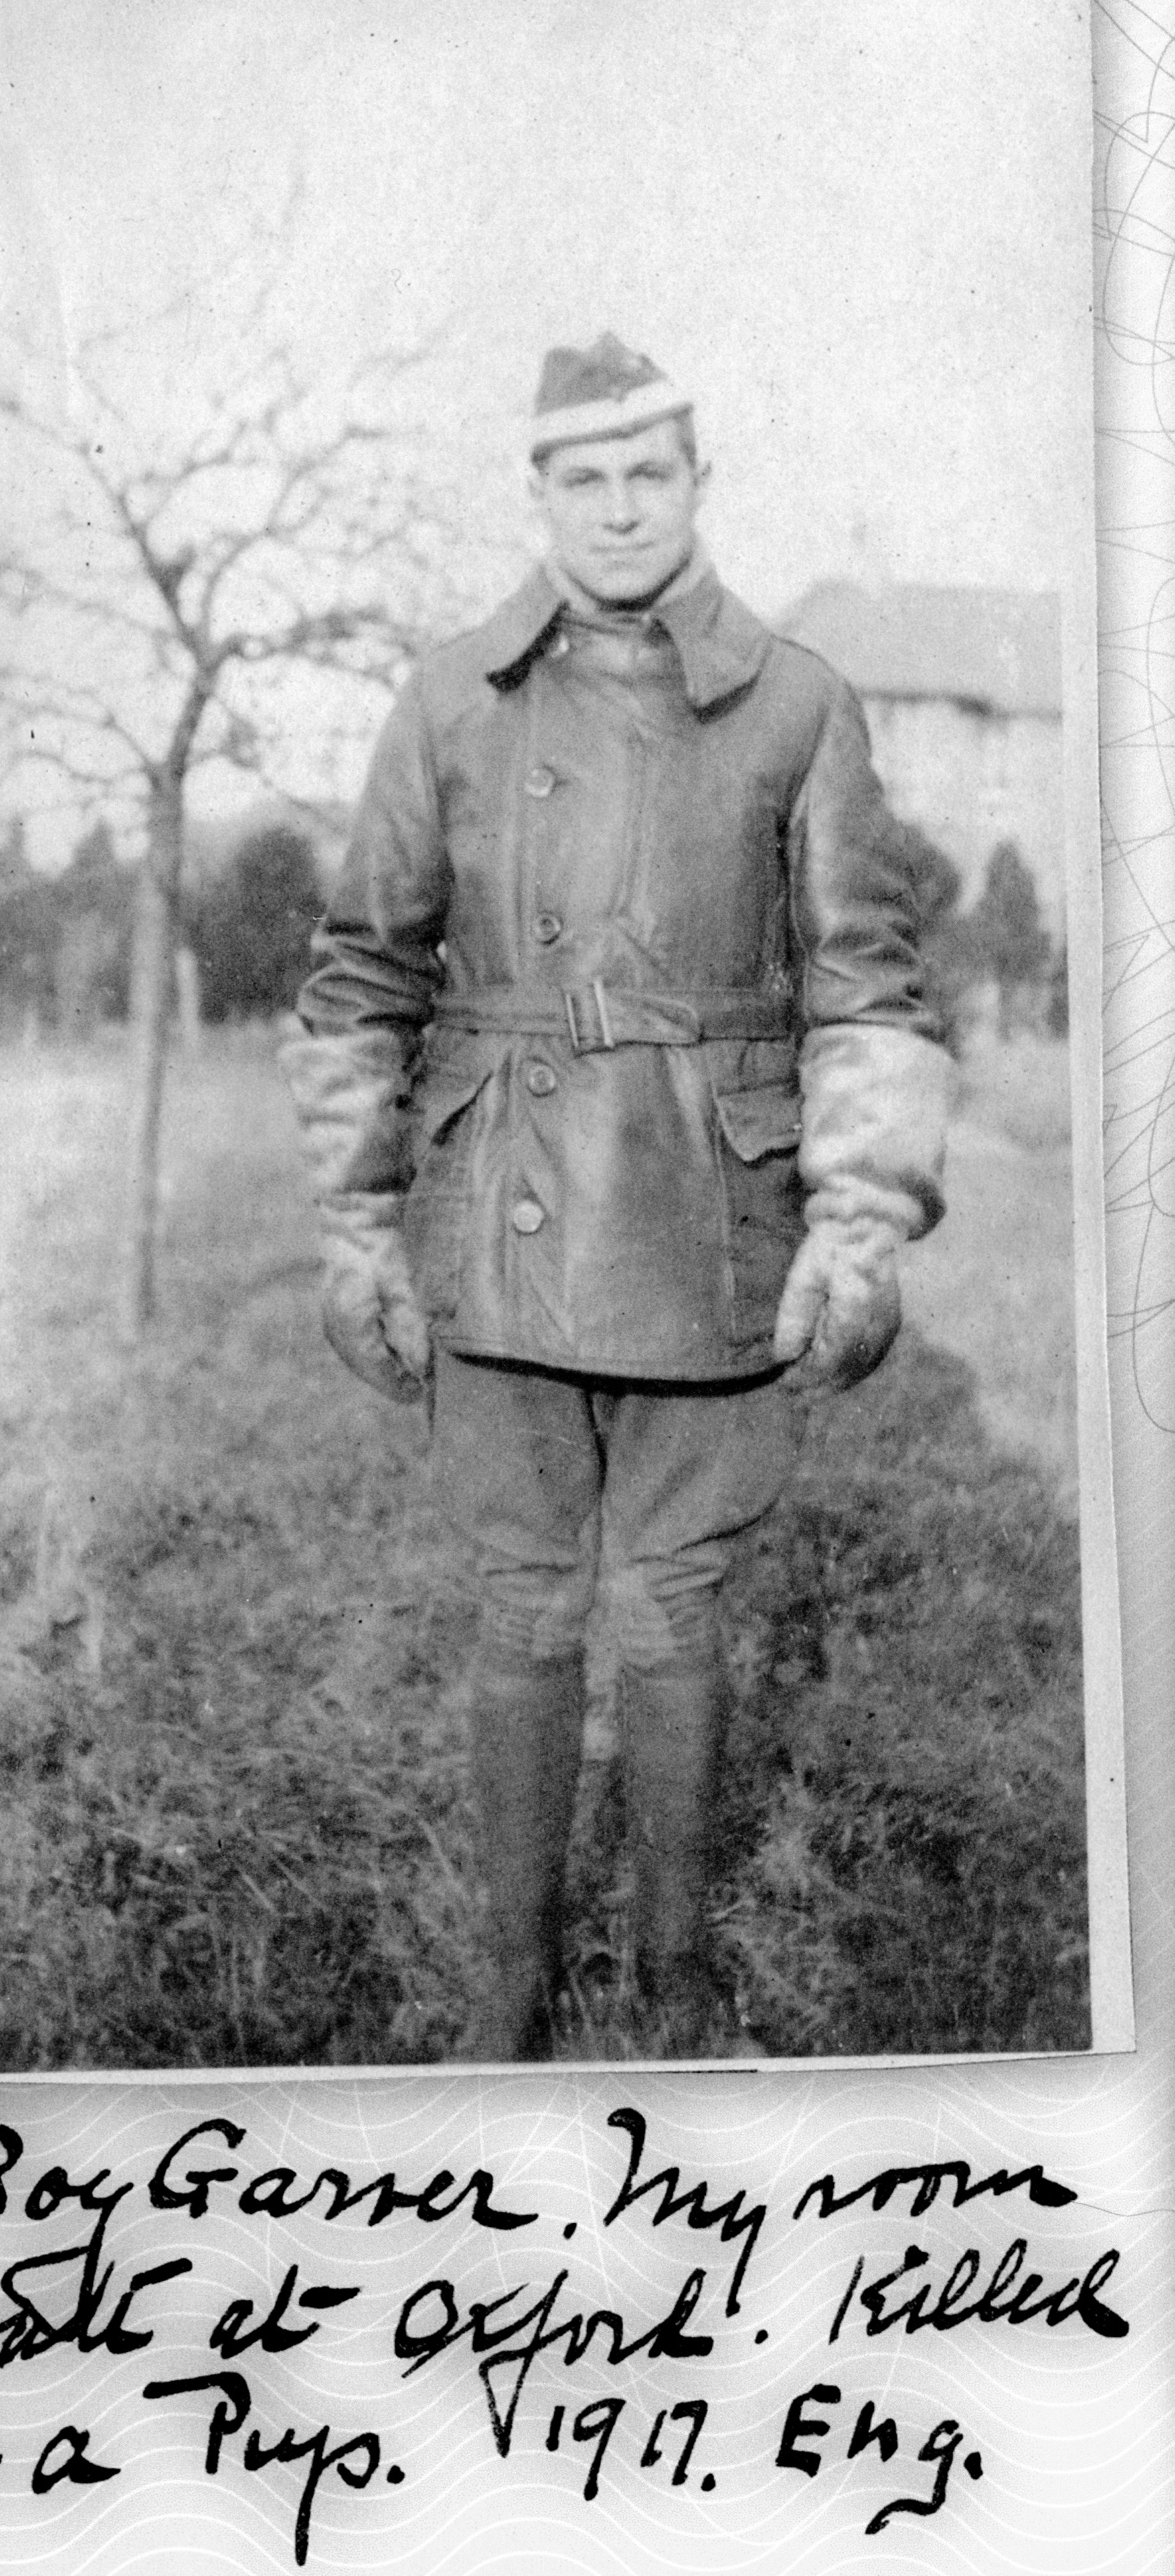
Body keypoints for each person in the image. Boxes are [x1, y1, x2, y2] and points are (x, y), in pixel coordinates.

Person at [287, 333, 952, 2062]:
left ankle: (671, 1970)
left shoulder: (797, 702)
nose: (615, 507)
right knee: (519, 1608)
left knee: (669, 1611)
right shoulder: (446, 698)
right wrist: (355, 1220)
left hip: (709, 1221)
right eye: (581, 478)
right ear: (537, 494)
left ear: (696, 485)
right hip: (493, 1207)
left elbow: (869, 991)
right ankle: (508, 1973)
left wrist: (858, 1216)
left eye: (647, 473)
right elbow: (359, 975)